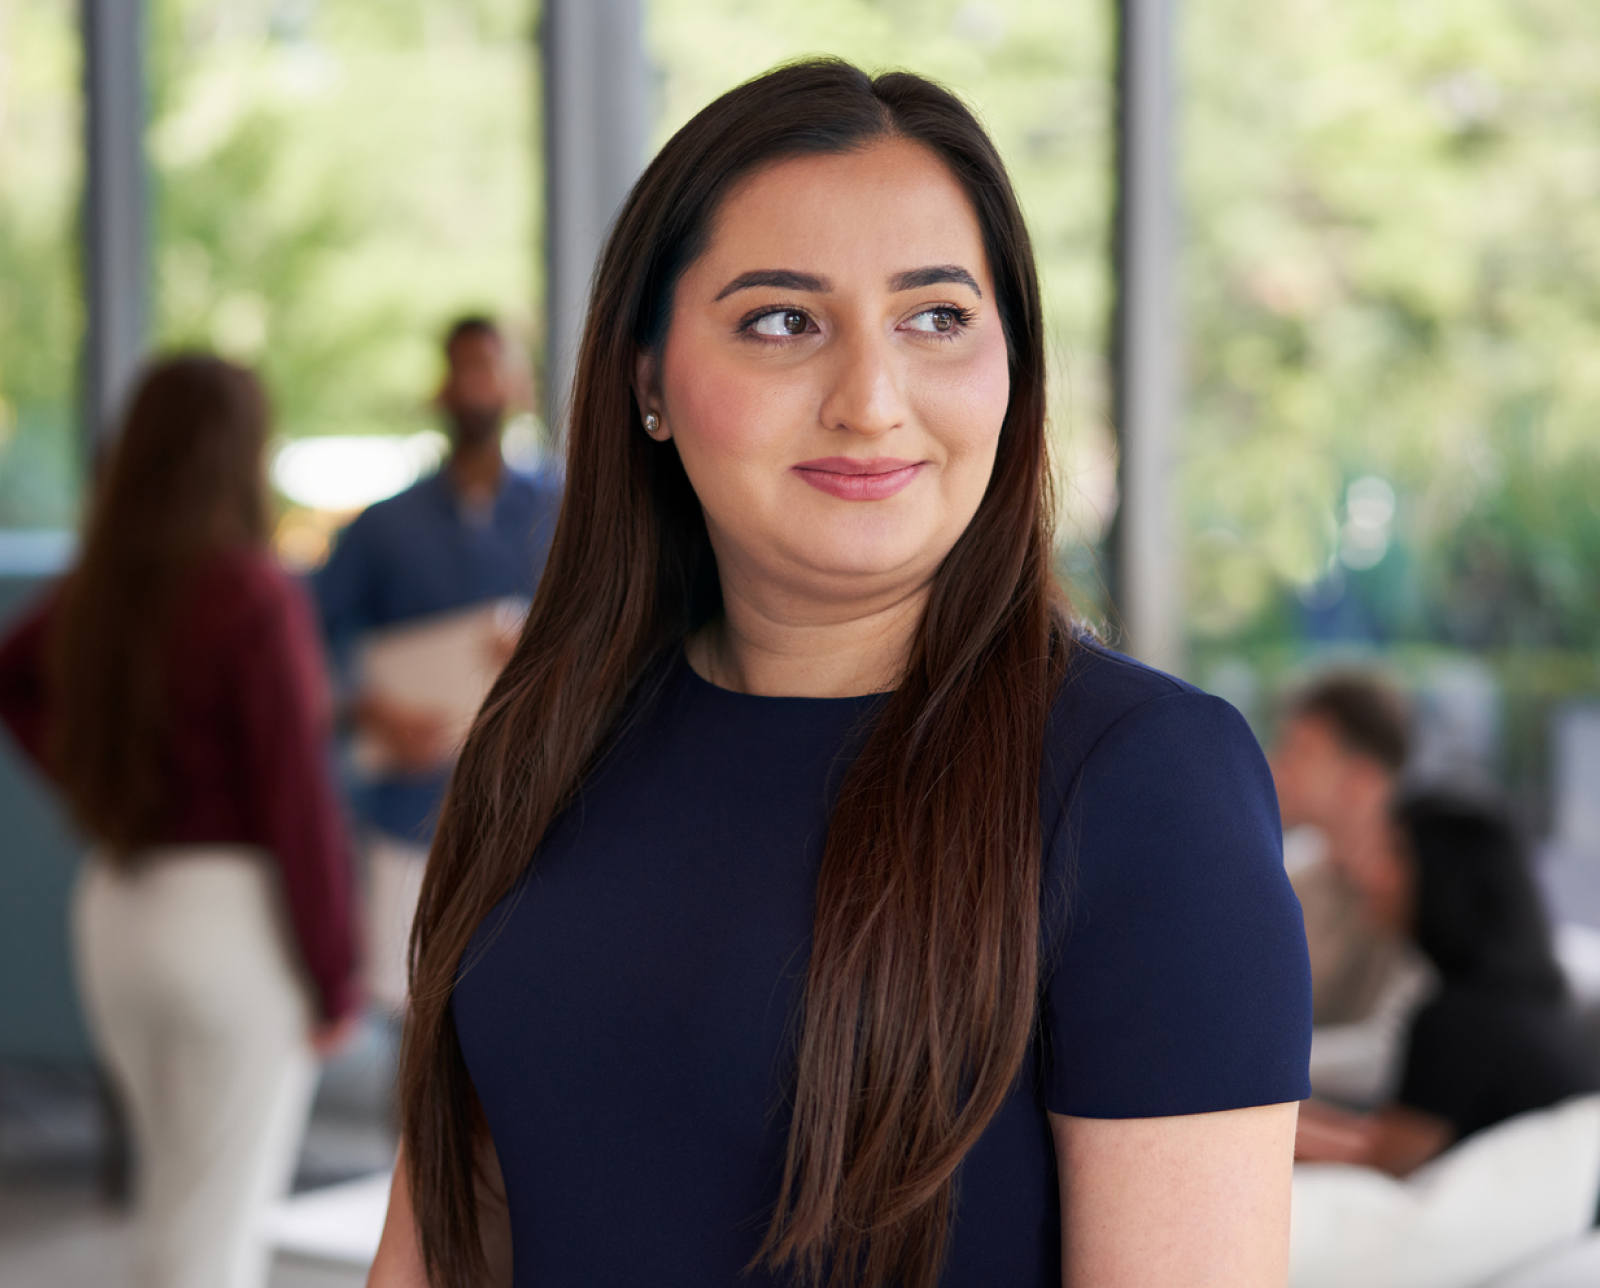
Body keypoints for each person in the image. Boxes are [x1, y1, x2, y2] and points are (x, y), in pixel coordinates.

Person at [369, 61, 1311, 1288]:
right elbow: (443, 1239)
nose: (871, 400)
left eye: (935, 319)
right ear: (648, 377)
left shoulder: (1141, 784)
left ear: (1013, 367)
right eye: (781, 320)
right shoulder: (550, 736)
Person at [0, 355, 360, 1288]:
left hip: (121, 908)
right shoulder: (249, 592)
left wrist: (99, 785)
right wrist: (335, 973)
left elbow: (14, 678)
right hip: (232, 926)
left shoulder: (102, 588)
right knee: (213, 1236)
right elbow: (297, 800)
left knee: (175, 1209)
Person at [312, 316, 561, 1007]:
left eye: (491, 366)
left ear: (519, 385)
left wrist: (542, 655)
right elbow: (311, 644)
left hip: (539, 812)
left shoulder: (569, 512)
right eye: (463, 368)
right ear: (441, 388)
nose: (476, 383)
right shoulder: (383, 525)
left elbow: (627, 640)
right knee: (413, 1021)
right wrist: (366, 705)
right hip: (411, 815)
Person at [1296, 791, 1600, 1177]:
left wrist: (1244, 1126)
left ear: (1445, 875)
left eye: (1392, 854)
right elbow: (1383, 1138)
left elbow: (1379, 1163)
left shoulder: (1458, 1023)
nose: (1368, 873)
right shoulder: (1541, 1002)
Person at [1271, 671, 1433, 1107]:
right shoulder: (1295, 878)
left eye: (1301, 751)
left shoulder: (1425, 892)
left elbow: (1394, 1052)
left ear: (1361, 781)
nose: (1277, 767)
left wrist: (1252, 1063)